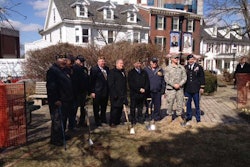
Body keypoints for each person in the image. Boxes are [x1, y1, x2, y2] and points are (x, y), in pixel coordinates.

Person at [46, 54, 74, 146]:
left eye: (65, 59)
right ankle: (55, 139)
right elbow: (51, 87)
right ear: (57, 60)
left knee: (63, 119)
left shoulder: (64, 70)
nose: (64, 61)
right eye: (62, 59)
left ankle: (62, 135)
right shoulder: (53, 71)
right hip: (57, 101)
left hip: (66, 99)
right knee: (57, 120)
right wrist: (56, 99)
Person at [164, 54, 187, 121]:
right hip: (171, 89)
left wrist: (179, 84)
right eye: (175, 58)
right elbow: (166, 78)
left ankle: (179, 115)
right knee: (170, 103)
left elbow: (184, 77)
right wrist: (173, 85)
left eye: (177, 58)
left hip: (179, 89)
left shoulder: (181, 68)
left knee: (180, 102)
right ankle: (169, 115)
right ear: (171, 59)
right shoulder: (168, 68)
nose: (176, 59)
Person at [184, 54, 205, 123]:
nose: (191, 60)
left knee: (197, 104)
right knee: (188, 104)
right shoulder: (185, 67)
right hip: (187, 89)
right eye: (189, 59)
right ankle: (189, 116)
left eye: (192, 59)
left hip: (196, 89)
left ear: (194, 60)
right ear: (187, 60)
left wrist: (202, 87)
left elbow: (202, 77)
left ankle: (198, 118)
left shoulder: (199, 67)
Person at [128, 59, 149, 125]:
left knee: (140, 107)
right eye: (137, 63)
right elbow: (131, 83)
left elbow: (147, 82)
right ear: (134, 64)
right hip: (134, 93)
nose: (138, 65)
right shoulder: (131, 72)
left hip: (142, 93)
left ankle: (140, 118)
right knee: (133, 107)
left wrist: (145, 89)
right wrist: (138, 89)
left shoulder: (144, 72)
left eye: (139, 63)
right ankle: (133, 119)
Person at [90, 56, 109, 127]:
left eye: (103, 61)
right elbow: (91, 81)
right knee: (96, 107)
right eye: (101, 61)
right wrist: (92, 91)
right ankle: (97, 121)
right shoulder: (94, 69)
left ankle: (103, 119)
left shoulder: (107, 69)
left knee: (104, 107)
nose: (103, 63)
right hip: (97, 91)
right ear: (98, 62)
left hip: (105, 91)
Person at [108, 59, 128, 126]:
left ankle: (117, 121)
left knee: (120, 108)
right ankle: (112, 122)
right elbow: (111, 84)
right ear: (116, 64)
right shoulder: (112, 72)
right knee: (115, 109)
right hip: (115, 94)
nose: (122, 65)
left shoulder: (123, 72)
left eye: (122, 63)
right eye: (120, 63)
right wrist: (114, 94)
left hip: (122, 94)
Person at [72, 55, 89, 128]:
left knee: (83, 107)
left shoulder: (84, 69)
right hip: (76, 92)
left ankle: (82, 121)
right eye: (80, 61)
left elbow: (87, 79)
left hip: (83, 91)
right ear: (76, 61)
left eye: (83, 61)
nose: (82, 62)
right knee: (75, 108)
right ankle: (73, 123)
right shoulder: (73, 68)